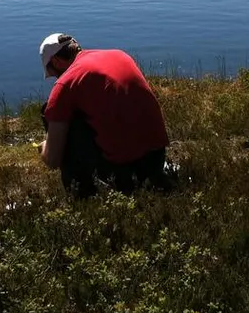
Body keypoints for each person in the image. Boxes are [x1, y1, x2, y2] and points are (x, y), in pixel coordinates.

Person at [36, 33, 172, 198]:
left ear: (56, 62)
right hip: (157, 156)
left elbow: (52, 160)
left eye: (53, 73)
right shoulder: (119, 55)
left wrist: (45, 147)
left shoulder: (65, 83)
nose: (56, 78)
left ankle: (83, 198)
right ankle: (156, 180)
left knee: (50, 111)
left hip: (125, 168)